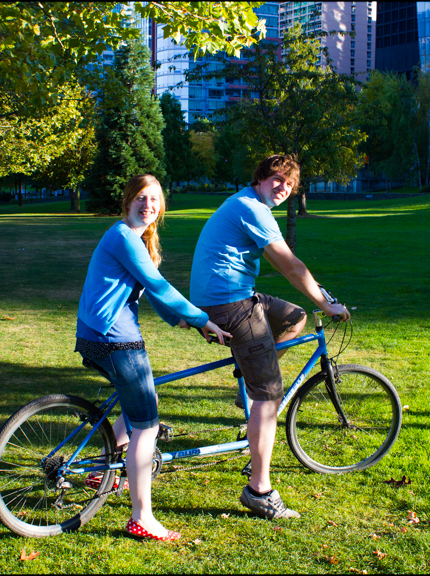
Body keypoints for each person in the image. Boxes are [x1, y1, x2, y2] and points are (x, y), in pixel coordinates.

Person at [189, 154, 349, 520]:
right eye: (278, 179)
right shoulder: (252, 207)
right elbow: (290, 264)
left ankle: (251, 378)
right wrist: (327, 305)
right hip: (228, 304)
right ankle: (258, 490)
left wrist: (317, 297)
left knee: (294, 317)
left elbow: (287, 266)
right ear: (261, 178)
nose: (283, 188)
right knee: (269, 395)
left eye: (290, 185)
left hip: (234, 295)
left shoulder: (251, 203)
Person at [75, 174, 231, 541]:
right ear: (128, 200)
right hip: (114, 339)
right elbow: (160, 286)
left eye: (155, 200)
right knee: (146, 424)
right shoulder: (123, 237)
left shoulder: (133, 239)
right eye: (141, 198)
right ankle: (141, 516)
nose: (148, 205)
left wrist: (185, 321)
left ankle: (101, 467)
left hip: (100, 335)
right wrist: (202, 318)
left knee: (140, 405)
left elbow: (153, 292)